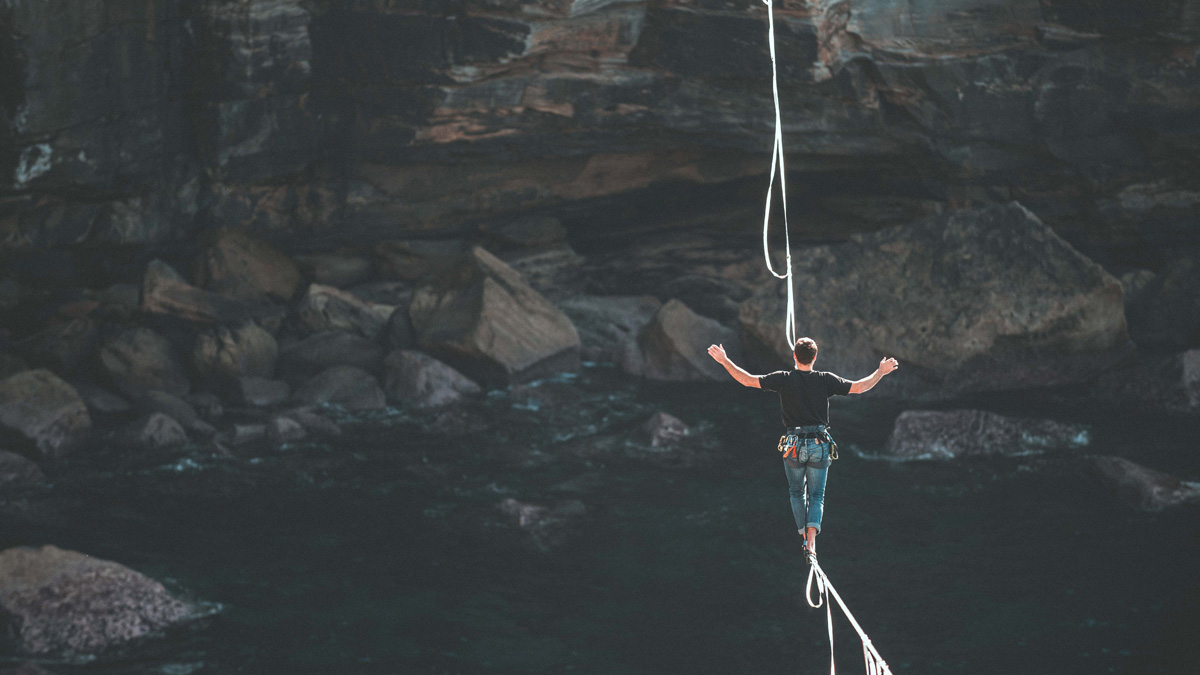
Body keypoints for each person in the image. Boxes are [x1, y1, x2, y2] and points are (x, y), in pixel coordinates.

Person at [707, 338, 898, 559]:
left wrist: (724, 361)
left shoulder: (783, 379)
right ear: (815, 357)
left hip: (793, 445)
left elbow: (748, 380)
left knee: (797, 492)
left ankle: (803, 536)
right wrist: (881, 372)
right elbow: (859, 387)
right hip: (819, 443)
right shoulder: (826, 379)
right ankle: (811, 541)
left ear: (794, 356)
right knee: (817, 496)